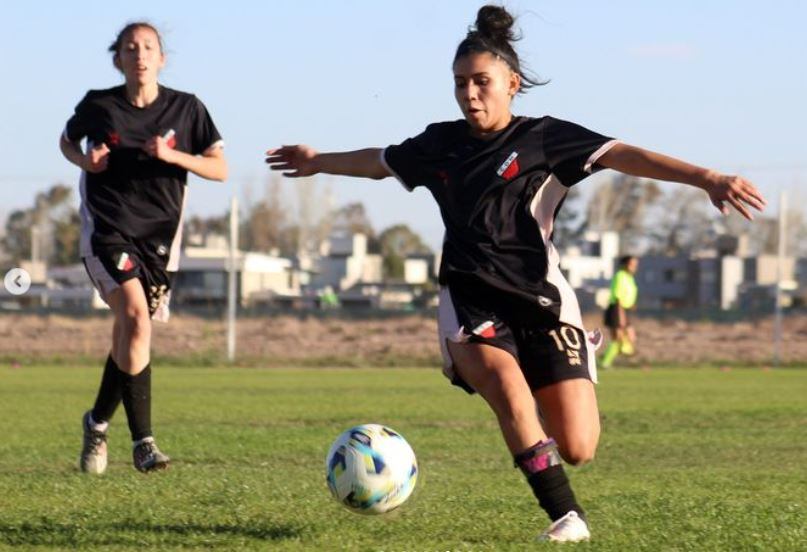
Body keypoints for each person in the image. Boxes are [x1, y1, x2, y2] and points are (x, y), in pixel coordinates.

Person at [266, 5, 765, 542]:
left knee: (578, 447)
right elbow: (381, 161)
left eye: (482, 81)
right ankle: (566, 516)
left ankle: (555, 390)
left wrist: (707, 177)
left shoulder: (546, 139)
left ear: (512, 83)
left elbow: (626, 155)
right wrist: (320, 160)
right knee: (507, 389)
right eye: (460, 84)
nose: (470, 93)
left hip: (542, 303)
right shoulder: (441, 145)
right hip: (471, 299)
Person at [60, 22, 227, 474]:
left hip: (159, 244)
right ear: (118, 58)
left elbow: (220, 168)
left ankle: (96, 424)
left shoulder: (187, 109)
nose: (139, 54)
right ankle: (144, 443)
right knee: (135, 319)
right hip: (108, 231)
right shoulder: (99, 105)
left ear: (161, 58)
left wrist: (174, 156)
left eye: (148, 47)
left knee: (130, 336)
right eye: (130, 48)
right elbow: (67, 140)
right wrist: (84, 160)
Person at [601, 255, 639, 368]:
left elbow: (629, 294)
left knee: (628, 336)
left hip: (625, 309)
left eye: (635, 265)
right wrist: (620, 315)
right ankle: (605, 362)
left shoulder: (630, 278)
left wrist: (631, 303)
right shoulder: (620, 276)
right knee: (618, 337)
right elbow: (618, 297)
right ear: (625, 264)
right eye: (632, 264)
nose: (634, 267)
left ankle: (605, 360)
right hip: (617, 309)